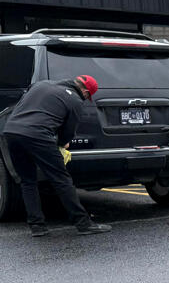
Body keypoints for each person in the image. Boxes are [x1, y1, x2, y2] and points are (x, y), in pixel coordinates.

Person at [2, 74, 111, 236]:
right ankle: (83, 223)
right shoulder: (75, 101)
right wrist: (62, 144)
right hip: (37, 134)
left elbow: (22, 106)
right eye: (88, 96)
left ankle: (37, 226)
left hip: (11, 132)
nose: (86, 98)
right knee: (61, 179)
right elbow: (67, 133)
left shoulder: (41, 85)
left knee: (27, 181)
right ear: (86, 92)